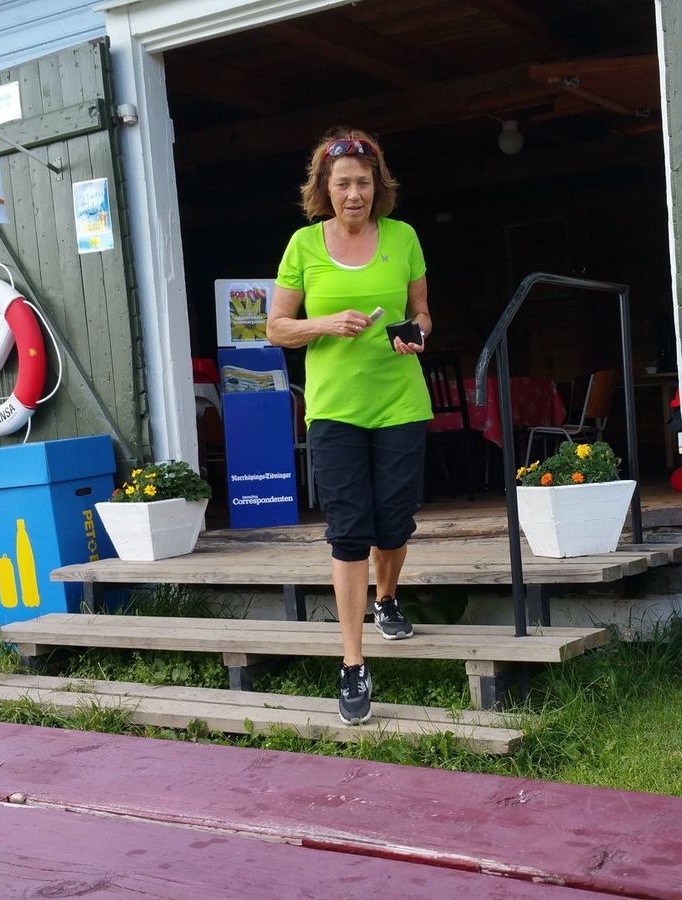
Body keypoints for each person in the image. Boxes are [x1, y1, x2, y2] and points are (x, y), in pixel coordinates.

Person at [266, 128, 434, 726]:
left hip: (400, 403)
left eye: (363, 182)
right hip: (334, 409)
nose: (354, 194)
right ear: (325, 189)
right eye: (343, 184)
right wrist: (326, 323)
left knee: (395, 521)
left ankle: (386, 599)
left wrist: (416, 333)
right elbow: (276, 328)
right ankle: (353, 662)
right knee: (348, 530)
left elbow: (422, 311)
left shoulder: (404, 237)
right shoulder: (303, 245)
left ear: (377, 185)